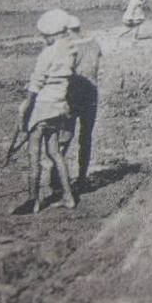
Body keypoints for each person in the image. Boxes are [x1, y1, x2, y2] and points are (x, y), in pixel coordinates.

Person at [17, 9, 77, 214]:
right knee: (54, 153)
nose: (43, 38)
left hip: (43, 107)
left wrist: (26, 106)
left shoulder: (47, 53)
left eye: (45, 35)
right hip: (59, 107)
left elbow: (36, 83)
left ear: (51, 34)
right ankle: (68, 197)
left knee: (34, 154)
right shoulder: (70, 50)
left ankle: (33, 200)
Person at [64, 15, 102, 189]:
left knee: (64, 137)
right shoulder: (93, 42)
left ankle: (58, 180)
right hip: (91, 94)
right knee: (85, 138)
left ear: (68, 30)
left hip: (73, 96)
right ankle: (82, 177)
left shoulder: (69, 47)